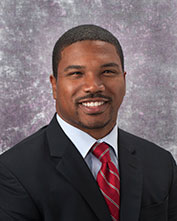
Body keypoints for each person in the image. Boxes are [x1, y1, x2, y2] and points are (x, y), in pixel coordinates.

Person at [0, 24, 176, 221]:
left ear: (124, 81)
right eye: (76, 74)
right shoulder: (13, 172)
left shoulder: (161, 163)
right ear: (55, 85)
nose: (94, 86)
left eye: (108, 72)